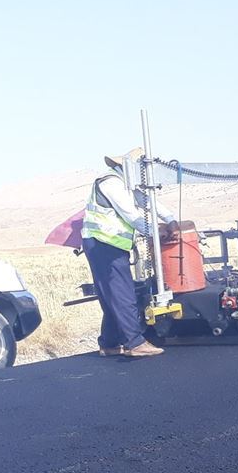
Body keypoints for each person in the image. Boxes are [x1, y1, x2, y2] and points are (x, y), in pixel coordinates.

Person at [81, 152, 175, 359]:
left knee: (112, 294)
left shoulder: (126, 185)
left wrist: (171, 219)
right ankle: (135, 342)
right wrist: (154, 232)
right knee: (122, 293)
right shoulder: (111, 183)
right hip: (103, 243)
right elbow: (131, 215)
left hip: (108, 244)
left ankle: (110, 343)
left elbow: (148, 201)